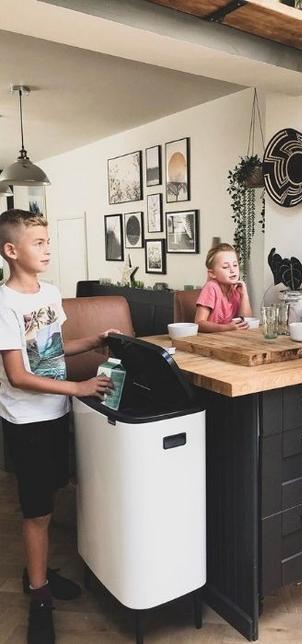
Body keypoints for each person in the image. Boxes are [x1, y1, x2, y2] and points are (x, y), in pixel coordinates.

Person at [0, 209, 116, 644]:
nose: (48, 249)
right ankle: (39, 593)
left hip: (55, 414)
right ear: (12, 251)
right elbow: (19, 376)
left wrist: (92, 341)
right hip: (26, 420)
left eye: (49, 241)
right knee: (37, 511)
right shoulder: (4, 303)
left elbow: (51, 348)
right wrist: (80, 387)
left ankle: (38, 570)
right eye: (38, 243)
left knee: (49, 497)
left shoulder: (50, 293)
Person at [195, 243, 252, 332]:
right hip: (211, 341)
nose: (232, 270)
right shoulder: (211, 287)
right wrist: (227, 328)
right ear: (212, 273)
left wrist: (244, 295)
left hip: (229, 340)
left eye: (235, 265)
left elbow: (246, 321)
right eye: (225, 267)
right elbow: (199, 323)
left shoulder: (236, 289)